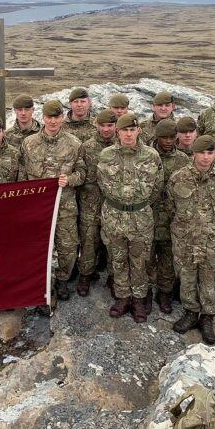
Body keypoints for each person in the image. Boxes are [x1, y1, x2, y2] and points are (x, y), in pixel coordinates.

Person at [19, 100, 86, 307]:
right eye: (49, 117)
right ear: (43, 117)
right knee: (38, 248)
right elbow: (22, 174)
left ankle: (63, 280)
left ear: (63, 118)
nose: (53, 121)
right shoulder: (29, 143)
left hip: (64, 206)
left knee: (67, 248)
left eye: (57, 117)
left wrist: (71, 180)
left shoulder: (74, 144)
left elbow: (82, 173)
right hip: (37, 209)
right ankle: (43, 284)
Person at [97, 113, 164, 322]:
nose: (128, 134)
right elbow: (101, 183)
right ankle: (123, 297)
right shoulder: (106, 155)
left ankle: (139, 299)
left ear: (138, 131)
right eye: (124, 130)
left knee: (140, 260)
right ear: (118, 132)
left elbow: (157, 187)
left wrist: (138, 204)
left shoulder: (151, 156)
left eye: (132, 130)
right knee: (117, 259)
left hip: (140, 217)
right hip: (114, 216)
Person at [167, 136, 215, 343]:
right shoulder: (178, 178)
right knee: (186, 278)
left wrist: (212, 229)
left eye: (210, 153)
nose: (206, 157)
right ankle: (190, 312)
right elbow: (170, 207)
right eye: (202, 153)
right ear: (194, 153)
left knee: (208, 279)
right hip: (185, 239)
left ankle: (207, 317)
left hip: (211, 241)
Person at [149, 119, 190, 313]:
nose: (167, 141)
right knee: (145, 257)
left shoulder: (183, 160)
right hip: (147, 215)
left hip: (171, 217)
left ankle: (164, 292)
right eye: (164, 137)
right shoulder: (146, 155)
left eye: (172, 137)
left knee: (167, 258)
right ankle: (146, 291)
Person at [77, 109, 117, 297]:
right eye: (103, 125)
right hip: (90, 201)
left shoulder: (121, 145)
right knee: (88, 240)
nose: (106, 129)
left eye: (110, 125)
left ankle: (113, 276)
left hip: (114, 204)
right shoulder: (87, 146)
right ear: (96, 125)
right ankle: (85, 274)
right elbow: (81, 172)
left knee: (113, 241)